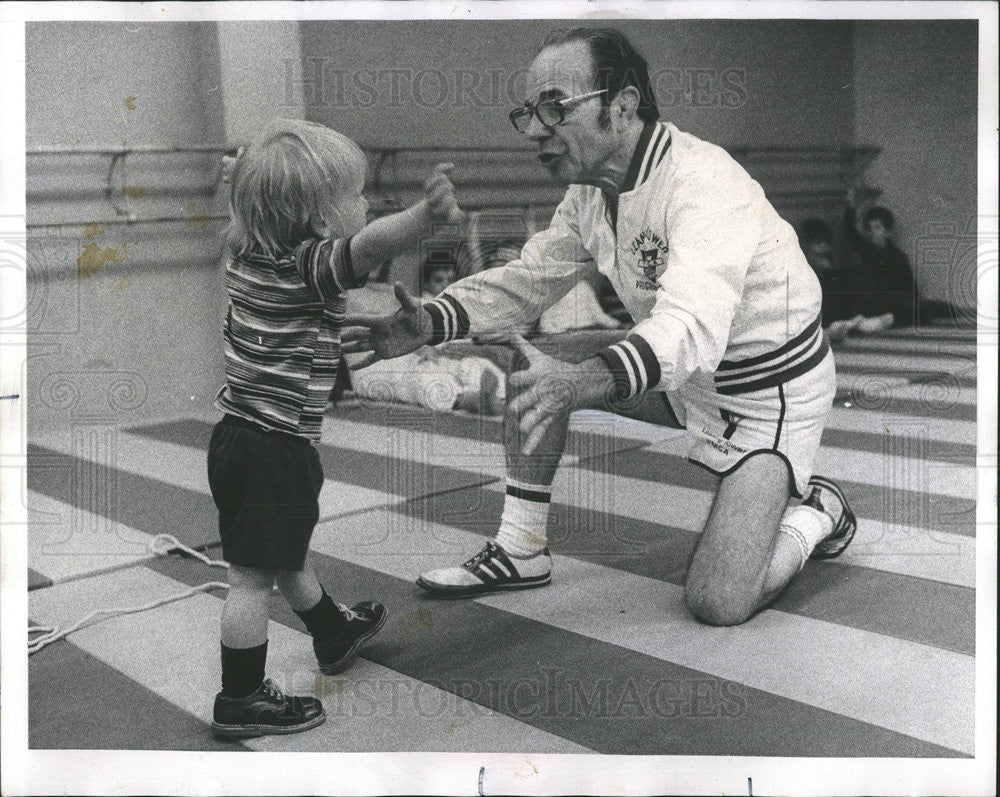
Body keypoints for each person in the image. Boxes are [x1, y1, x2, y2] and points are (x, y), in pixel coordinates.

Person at [343, 28, 857, 627]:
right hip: (686, 381)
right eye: (528, 113)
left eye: (555, 107)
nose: (536, 130)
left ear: (623, 105)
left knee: (718, 603)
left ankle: (818, 511)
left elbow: (690, 326)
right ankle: (521, 548)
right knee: (533, 366)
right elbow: (531, 277)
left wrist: (581, 382)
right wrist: (432, 320)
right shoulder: (591, 193)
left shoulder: (705, 183)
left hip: (766, 395)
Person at [209, 119, 462, 738]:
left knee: (279, 554)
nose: (364, 202)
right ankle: (241, 699)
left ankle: (332, 632)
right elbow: (370, 246)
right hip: (275, 446)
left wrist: (243, 180)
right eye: (354, 195)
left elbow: (256, 211)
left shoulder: (244, 248)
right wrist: (422, 216)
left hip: (237, 437)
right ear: (320, 224)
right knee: (250, 579)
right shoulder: (308, 266)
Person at [842, 189, 961, 329]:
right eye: (870, 228)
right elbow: (849, 231)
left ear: (887, 232)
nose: (873, 232)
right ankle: (888, 319)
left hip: (897, 301)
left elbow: (909, 286)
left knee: (934, 309)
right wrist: (851, 205)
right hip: (877, 302)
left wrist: (913, 304)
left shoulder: (897, 256)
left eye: (877, 227)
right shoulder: (866, 249)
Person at [799, 217, 864, 342]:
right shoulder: (802, 269)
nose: (822, 247)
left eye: (824, 242)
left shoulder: (832, 269)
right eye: (817, 243)